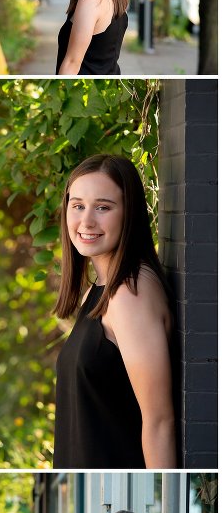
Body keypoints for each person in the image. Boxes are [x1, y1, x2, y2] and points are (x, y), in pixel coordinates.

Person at [52, 155, 176, 469]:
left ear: (129, 214)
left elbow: (159, 421)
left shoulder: (130, 294)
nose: (86, 221)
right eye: (77, 205)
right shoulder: (101, 290)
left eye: (103, 207)